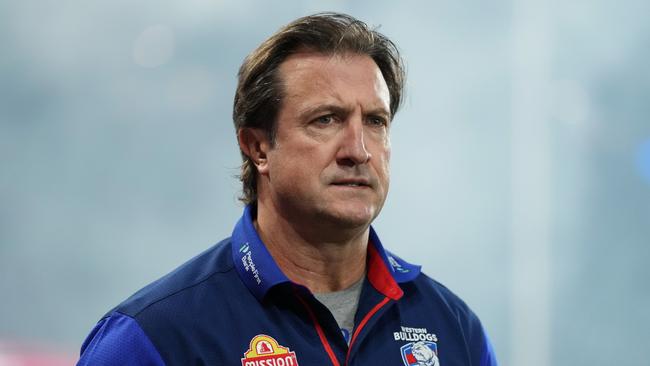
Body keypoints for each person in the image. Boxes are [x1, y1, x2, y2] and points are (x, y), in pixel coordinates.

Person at [77, 12, 498, 366]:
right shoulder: (153, 337)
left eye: (375, 121)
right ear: (258, 147)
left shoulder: (454, 330)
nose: (358, 150)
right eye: (326, 120)